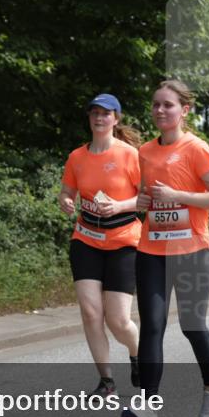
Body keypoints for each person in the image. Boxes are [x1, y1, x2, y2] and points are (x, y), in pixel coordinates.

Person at [127, 80, 209, 417]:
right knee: (151, 327)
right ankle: (148, 407)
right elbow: (146, 197)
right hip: (152, 249)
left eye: (168, 105)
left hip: (193, 251)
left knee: (192, 325)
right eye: (156, 104)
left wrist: (178, 195)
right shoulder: (144, 151)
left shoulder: (196, 148)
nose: (160, 111)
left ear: (184, 111)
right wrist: (141, 202)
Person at [58, 94, 143, 398]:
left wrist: (120, 206)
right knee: (91, 312)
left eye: (106, 114)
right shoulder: (77, 157)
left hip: (124, 241)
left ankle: (137, 354)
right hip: (86, 239)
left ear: (116, 119)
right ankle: (106, 381)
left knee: (118, 320)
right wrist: (67, 201)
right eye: (94, 113)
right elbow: (66, 191)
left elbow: (145, 198)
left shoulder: (130, 155)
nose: (99, 118)